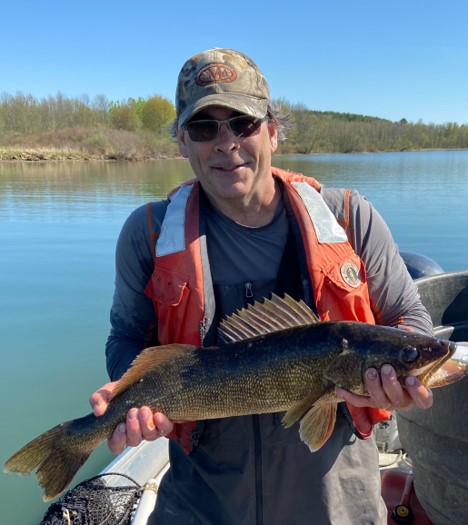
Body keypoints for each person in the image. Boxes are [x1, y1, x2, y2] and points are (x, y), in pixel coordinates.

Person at [90, 48, 434, 524]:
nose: (225, 142)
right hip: (202, 502)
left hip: (335, 503)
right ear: (181, 143)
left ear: (272, 130)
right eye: (204, 127)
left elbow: (411, 319)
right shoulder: (147, 234)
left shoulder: (351, 219)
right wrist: (135, 398)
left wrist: (393, 383)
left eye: (242, 122)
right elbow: (125, 337)